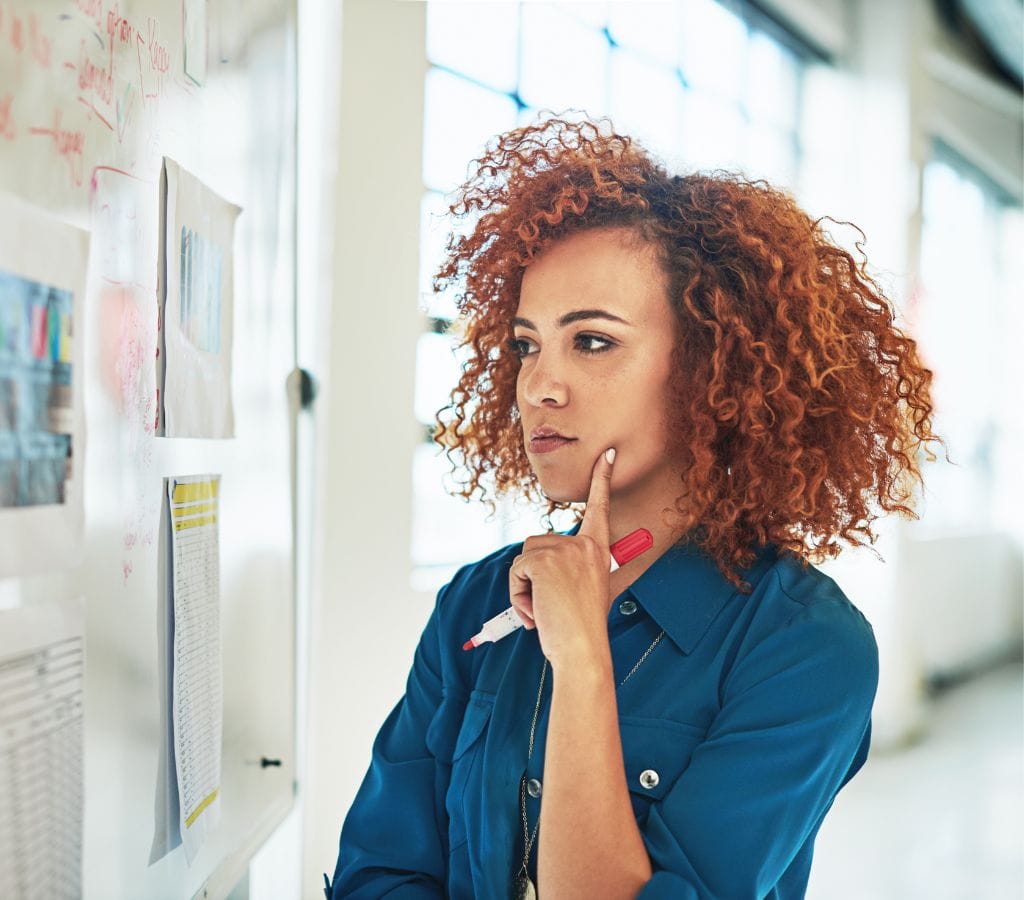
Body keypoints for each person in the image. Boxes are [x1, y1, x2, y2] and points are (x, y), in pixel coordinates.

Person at [327, 115, 944, 899]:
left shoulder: (806, 646)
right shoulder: (479, 603)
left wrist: (581, 660)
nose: (537, 386)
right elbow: (378, 872)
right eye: (525, 344)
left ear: (708, 367)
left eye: (591, 342)